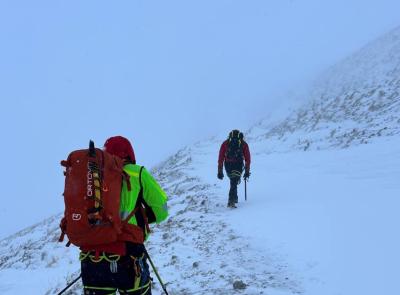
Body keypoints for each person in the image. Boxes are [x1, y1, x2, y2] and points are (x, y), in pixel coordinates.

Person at [80, 136, 168, 295]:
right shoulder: (137, 173)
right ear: (129, 153)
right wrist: (142, 218)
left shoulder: (92, 177)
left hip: (92, 259)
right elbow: (161, 211)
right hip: (128, 256)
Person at [217, 130, 251, 208]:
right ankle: (231, 201)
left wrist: (220, 171)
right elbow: (248, 159)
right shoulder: (243, 144)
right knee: (234, 181)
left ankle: (234, 198)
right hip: (238, 165)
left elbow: (221, 158)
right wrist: (247, 172)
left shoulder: (225, 143)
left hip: (228, 165)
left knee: (233, 181)